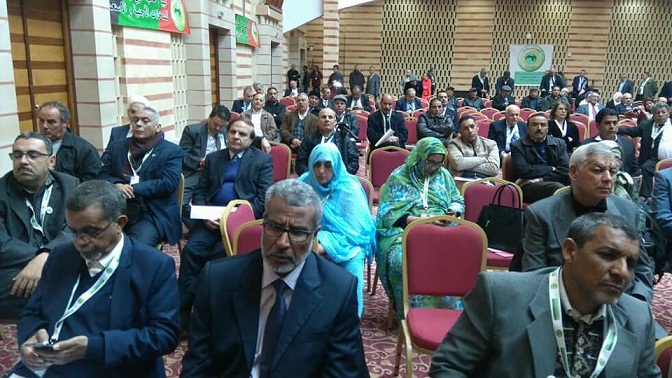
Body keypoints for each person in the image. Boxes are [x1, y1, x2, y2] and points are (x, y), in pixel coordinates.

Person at [429, 213, 660, 377]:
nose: (621, 272)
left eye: (630, 263)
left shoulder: (639, 318)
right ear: (570, 251)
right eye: (608, 255)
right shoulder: (500, 295)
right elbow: (449, 367)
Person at [180, 179, 369, 377]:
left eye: (297, 232)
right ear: (263, 223)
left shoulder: (338, 291)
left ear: (315, 235)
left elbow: (343, 373)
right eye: (275, 227)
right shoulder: (218, 280)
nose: (282, 242)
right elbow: (197, 366)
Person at [9, 180, 179, 377]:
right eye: (74, 231)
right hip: (49, 364)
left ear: (120, 223)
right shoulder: (61, 256)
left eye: (91, 232)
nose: (81, 241)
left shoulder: (153, 266)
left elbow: (163, 336)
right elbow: (32, 312)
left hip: (113, 366)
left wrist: (94, 347)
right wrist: (30, 337)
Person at [521, 143, 654, 303]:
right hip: (559, 304)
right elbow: (534, 274)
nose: (607, 178)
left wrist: (637, 304)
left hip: (619, 303)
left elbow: (642, 268)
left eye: (612, 172)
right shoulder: (541, 213)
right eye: (598, 170)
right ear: (574, 172)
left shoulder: (628, 210)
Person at [179, 118, 273, 334]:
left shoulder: (261, 161)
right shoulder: (213, 159)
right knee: (192, 253)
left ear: (251, 140)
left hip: (238, 226)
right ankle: (182, 317)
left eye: (242, 134)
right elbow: (200, 192)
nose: (236, 137)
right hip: (210, 221)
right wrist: (204, 217)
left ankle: (206, 309)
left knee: (218, 258)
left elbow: (261, 200)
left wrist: (233, 219)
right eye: (233, 132)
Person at [376, 137, 464, 316]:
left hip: (442, 229)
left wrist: (451, 213)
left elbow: (456, 199)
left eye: (438, 163)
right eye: (430, 162)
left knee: (458, 257)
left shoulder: (444, 176)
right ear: (419, 156)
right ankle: (410, 313)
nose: (433, 167)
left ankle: (447, 313)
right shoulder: (399, 176)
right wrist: (422, 221)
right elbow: (388, 215)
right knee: (400, 261)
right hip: (405, 230)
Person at [0, 133, 79, 319]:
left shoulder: (70, 185)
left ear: (51, 161)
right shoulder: (2, 191)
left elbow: (76, 229)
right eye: (17, 155)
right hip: (13, 270)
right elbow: (2, 244)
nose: (23, 161)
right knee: (69, 291)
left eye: (33, 155)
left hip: (61, 262)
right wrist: (38, 259)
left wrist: (47, 256)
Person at [299, 144, 376, 316]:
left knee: (353, 262)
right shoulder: (304, 184)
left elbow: (357, 232)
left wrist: (325, 243)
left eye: (328, 165)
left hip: (348, 243)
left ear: (336, 165)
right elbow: (294, 219)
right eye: (316, 165)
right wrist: (313, 240)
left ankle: (350, 318)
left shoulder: (349, 187)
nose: (321, 171)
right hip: (310, 239)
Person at [98, 105, 183, 247]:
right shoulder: (117, 147)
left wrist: (133, 189)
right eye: (136, 120)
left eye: (145, 121)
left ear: (157, 127)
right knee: (98, 240)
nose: (138, 124)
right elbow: (103, 175)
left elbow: (168, 183)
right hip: (117, 208)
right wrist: (116, 185)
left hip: (151, 211)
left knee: (136, 248)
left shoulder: (171, 151)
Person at [178, 105, 230, 226]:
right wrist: (199, 161)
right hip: (198, 171)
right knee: (181, 203)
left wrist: (262, 139)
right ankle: (198, 226)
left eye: (221, 126)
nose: (217, 128)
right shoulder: (192, 131)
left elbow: (248, 135)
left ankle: (225, 226)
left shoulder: (228, 131)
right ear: (210, 118)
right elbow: (181, 155)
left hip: (222, 172)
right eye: (215, 124)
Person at [511, 113, 569, 203]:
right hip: (527, 187)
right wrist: (550, 169)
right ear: (527, 128)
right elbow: (522, 170)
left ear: (547, 129)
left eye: (543, 125)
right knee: (558, 188)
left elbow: (565, 169)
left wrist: (539, 179)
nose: (539, 128)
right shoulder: (518, 145)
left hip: (534, 181)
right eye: (534, 125)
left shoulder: (559, 144)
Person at [37, 101, 101, 182]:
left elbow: (91, 185)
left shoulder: (84, 150)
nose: (44, 126)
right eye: (41, 121)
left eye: (51, 122)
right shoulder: (32, 146)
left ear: (65, 122)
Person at [618, 102, 671, 198]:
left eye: (663, 112)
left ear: (668, 113)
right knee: (646, 168)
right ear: (653, 115)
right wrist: (617, 129)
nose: (660, 115)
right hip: (652, 159)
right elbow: (632, 131)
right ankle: (645, 197)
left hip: (670, 158)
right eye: (657, 113)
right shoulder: (646, 125)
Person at [296, 108, 359, 175]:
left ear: (335, 122)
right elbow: (300, 163)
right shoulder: (309, 139)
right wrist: (312, 175)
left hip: (339, 178)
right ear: (318, 121)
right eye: (323, 117)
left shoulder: (344, 139)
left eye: (330, 117)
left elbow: (354, 162)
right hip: (313, 178)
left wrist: (342, 174)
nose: (327, 119)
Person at [583, 108, 640, 177]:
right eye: (607, 123)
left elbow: (634, 170)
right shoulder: (586, 145)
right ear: (597, 125)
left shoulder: (627, 144)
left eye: (615, 123)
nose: (612, 126)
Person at [102, 95, 149, 165]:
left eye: (139, 112)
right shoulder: (117, 132)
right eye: (132, 112)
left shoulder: (152, 133)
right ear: (128, 112)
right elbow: (106, 157)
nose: (135, 115)